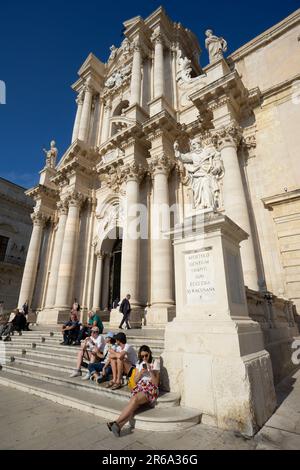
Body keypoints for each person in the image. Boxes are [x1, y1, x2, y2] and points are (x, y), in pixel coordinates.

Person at [107, 345, 160, 437]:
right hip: (140, 386)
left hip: (150, 388)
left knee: (134, 399)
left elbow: (156, 383)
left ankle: (116, 422)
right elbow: (135, 381)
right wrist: (140, 373)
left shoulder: (155, 362)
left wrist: (150, 370)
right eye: (142, 356)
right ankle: (118, 426)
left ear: (150, 353)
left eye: (146, 355)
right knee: (133, 403)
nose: (144, 358)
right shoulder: (139, 363)